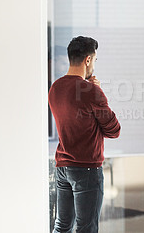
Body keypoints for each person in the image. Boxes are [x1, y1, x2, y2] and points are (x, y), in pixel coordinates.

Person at [48, 36, 121, 232]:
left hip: (63, 166)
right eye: (95, 60)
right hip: (86, 169)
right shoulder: (91, 91)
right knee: (86, 228)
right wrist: (95, 89)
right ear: (88, 60)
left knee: (62, 226)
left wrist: (89, 86)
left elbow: (76, 120)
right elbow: (114, 130)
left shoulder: (55, 88)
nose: (94, 64)